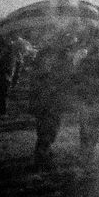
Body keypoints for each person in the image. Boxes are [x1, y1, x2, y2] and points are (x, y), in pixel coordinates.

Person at [27, 35, 76, 170]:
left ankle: (44, 152)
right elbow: (63, 76)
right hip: (50, 99)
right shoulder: (56, 55)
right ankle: (42, 158)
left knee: (47, 128)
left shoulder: (47, 54)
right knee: (48, 128)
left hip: (48, 98)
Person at [75, 39, 99, 170]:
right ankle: (84, 155)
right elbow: (78, 79)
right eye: (96, 49)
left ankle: (89, 154)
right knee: (85, 127)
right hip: (87, 98)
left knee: (95, 128)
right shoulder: (85, 63)